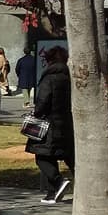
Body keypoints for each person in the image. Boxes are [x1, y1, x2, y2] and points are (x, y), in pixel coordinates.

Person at [27, 45, 75, 203]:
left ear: (49, 60)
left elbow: (43, 101)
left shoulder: (49, 78)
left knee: (42, 156)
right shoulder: (69, 77)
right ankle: (52, 193)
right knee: (65, 155)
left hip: (49, 125)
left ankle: (58, 181)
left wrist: (36, 113)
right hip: (67, 123)